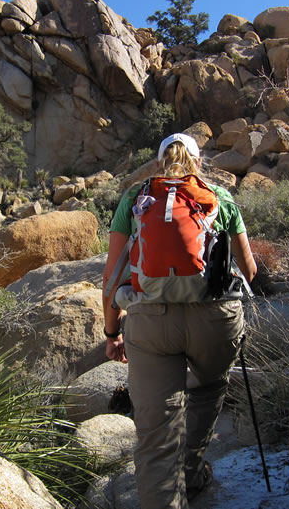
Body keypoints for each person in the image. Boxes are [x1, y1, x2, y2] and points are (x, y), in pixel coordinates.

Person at [102, 133, 258, 509]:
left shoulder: (135, 198)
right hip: (214, 319)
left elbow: (112, 280)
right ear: (198, 163)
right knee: (206, 388)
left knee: (156, 430)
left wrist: (112, 332)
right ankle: (190, 471)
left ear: (159, 165)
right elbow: (249, 270)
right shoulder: (219, 197)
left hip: (151, 322)